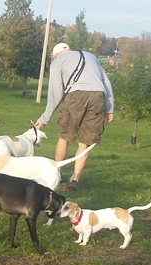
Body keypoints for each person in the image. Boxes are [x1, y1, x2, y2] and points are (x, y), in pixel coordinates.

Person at [34, 42, 114, 191]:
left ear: (55, 55)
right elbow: (106, 83)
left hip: (76, 95)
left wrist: (45, 118)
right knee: (85, 141)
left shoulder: (57, 62)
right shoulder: (91, 57)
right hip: (98, 96)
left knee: (65, 136)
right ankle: (74, 179)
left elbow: (55, 92)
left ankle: (55, 173)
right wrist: (109, 109)